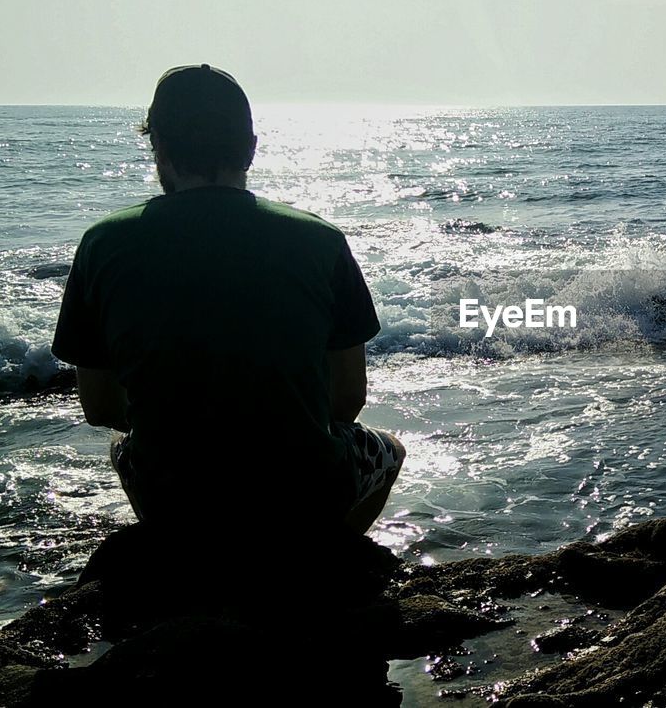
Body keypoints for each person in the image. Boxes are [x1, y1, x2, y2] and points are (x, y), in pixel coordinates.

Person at [52, 64, 404, 534]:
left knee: (122, 443)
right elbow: (347, 400)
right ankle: (325, 558)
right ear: (251, 148)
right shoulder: (320, 239)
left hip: (173, 492)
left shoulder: (103, 243)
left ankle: (184, 550)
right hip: (303, 489)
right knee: (390, 450)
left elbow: (100, 409)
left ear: (159, 146)